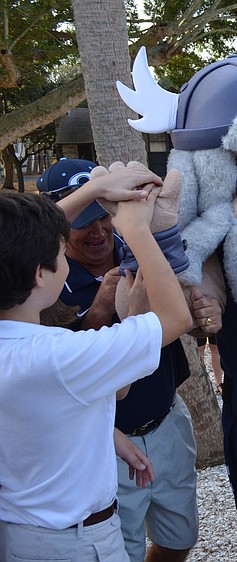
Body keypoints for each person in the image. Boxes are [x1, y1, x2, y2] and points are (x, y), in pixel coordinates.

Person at [0, 181, 192, 561]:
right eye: (59, 251)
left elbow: (108, 393)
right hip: (76, 542)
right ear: (41, 275)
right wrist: (137, 231)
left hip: (21, 534)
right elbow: (175, 317)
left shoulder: (27, 353)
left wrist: (94, 189)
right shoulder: (60, 356)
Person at [37, 160, 216, 562]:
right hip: (103, 438)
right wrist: (100, 314)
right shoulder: (44, 280)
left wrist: (205, 320)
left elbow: (187, 324)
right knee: (123, 548)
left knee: (179, 537)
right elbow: (54, 373)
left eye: (105, 215)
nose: (99, 231)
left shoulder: (141, 247)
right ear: (58, 226)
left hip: (167, 417)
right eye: (84, 220)